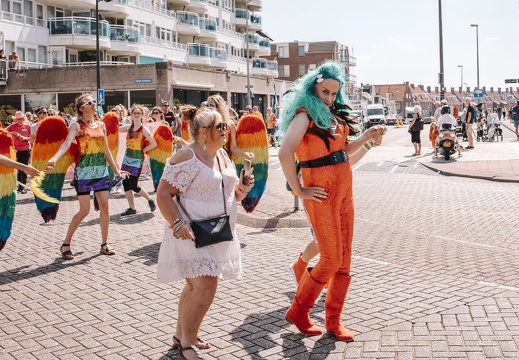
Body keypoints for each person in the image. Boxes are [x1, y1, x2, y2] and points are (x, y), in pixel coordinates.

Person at [278, 61, 383, 342]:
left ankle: (334, 321)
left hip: (345, 191)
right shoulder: (304, 115)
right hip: (321, 193)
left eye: (334, 94)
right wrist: (299, 190)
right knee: (331, 257)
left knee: (345, 258)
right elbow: (285, 152)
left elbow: (343, 151)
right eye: (325, 92)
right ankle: (299, 310)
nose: (329, 98)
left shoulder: (333, 116)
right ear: (314, 86)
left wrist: (367, 137)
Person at [156, 109, 254, 359]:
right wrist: (178, 223)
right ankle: (187, 342)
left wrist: (241, 190)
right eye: (220, 126)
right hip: (192, 232)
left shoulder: (221, 154)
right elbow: (163, 194)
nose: (226, 130)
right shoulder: (187, 156)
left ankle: (182, 334)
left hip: (219, 231)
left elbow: (230, 194)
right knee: (205, 285)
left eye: (226, 126)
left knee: (194, 286)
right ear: (203, 131)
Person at [46, 94, 123, 260]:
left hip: (101, 172)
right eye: (90, 102)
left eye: (94, 101)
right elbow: (66, 143)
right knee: (84, 210)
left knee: (105, 207)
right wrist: (54, 159)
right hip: (84, 172)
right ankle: (66, 243)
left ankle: (104, 244)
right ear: (82, 108)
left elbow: (106, 150)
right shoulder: (76, 125)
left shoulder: (101, 124)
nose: (94, 104)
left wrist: (116, 170)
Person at [119, 104, 158, 216]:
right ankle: (132, 208)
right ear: (131, 114)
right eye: (134, 113)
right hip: (127, 159)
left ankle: (150, 199)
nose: (136, 115)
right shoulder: (128, 127)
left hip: (137, 160)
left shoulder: (143, 129)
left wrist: (144, 150)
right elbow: (115, 129)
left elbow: (154, 143)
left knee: (133, 185)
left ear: (142, 115)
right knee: (125, 183)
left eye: (138, 113)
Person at [206, 95, 254, 161]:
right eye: (207, 106)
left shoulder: (230, 124)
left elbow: (233, 148)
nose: (209, 108)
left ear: (219, 106)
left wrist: (245, 154)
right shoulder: (205, 123)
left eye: (212, 105)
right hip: (207, 157)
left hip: (223, 158)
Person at [6, 111, 32, 193]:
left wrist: (24, 138)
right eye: (17, 119)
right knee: (17, 168)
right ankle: (19, 186)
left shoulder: (28, 126)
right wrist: (13, 133)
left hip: (26, 149)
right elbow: (3, 131)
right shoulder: (13, 126)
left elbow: (31, 137)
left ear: (23, 118)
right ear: (15, 120)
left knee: (24, 167)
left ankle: (23, 186)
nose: (19, 120)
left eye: (20, 118)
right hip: (16, 150)